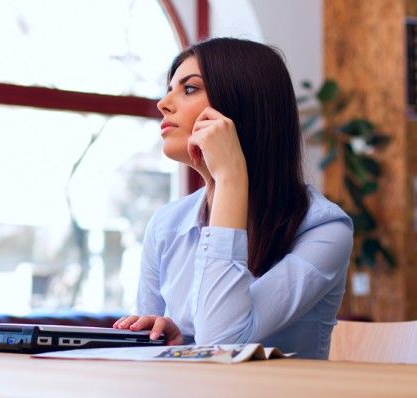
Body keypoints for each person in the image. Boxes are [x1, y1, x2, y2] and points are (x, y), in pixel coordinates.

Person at [113, 38, 354, 359]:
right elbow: (149, 350)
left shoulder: (325, 229)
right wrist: (170, 334)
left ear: (242, 105)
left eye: (189, 89)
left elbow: (222, 344)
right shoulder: (167, 224)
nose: (163, 103)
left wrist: (230, 178)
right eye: (169, 88)